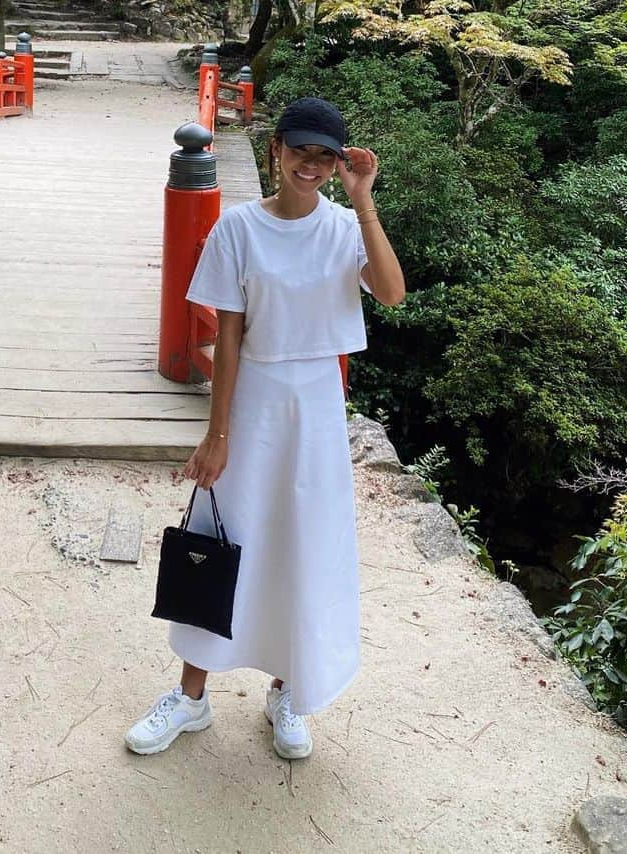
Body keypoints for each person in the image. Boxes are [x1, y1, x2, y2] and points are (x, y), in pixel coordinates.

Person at [125, 96, 405, 758]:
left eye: (324, 156)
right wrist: (217, 434)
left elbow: (391, 293)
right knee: (218, 539)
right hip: (253, 398)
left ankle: (288, 692)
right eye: (299, 150)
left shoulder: (343, 227)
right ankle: (191, 697)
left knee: (300, 544)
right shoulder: (237, 230)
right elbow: (228, 336)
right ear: (274, 149)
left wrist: (363, 198)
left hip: (314, 405)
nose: (309, 165)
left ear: (338, 164)